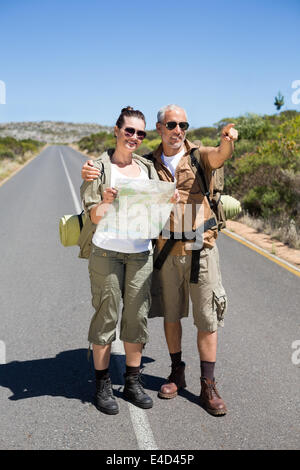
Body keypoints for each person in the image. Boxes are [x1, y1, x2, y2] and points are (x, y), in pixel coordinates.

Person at [82, 104, 237, 416]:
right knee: (167, 314)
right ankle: (170, 372)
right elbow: (102, 196)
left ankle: (206, 385)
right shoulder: (142, 162)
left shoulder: (192, 156)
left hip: (194, 243)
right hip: (161, 248)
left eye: (183, 124)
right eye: (171, 124)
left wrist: (228, 140)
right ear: (160, 128)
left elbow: (221, 156)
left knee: (202, 317)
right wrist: (93, 175)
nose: (177, 130)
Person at [80, 106, 179, 415]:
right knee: (107, 315)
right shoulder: (97, 168)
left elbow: (156, 210)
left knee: (136, 317)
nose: (134, 137)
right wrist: (106, 202)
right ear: (117, 131)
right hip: (106, 252)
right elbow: (92, 215)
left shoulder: (146, 169)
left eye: (140, 133)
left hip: (140, 253)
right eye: (129, 131)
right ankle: (102, 384)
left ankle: (133, 381)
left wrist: (169, 200)